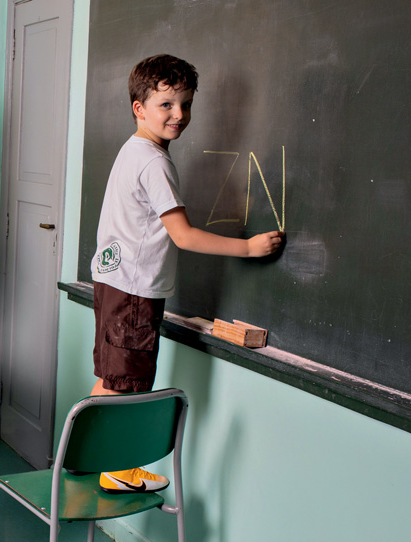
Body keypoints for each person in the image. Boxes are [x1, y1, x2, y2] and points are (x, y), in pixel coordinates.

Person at [90, 55, 282, 493]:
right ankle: (115, 466)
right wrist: (249, 247)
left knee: (111, 377)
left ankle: (85, 455)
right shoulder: (154, 162)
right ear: (139, 107)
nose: (179, 115)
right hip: (135, 292)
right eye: (167, 105)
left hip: (112, 282)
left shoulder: (132, 148)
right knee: (128, 383)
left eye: (186, 104)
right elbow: (183, 235)